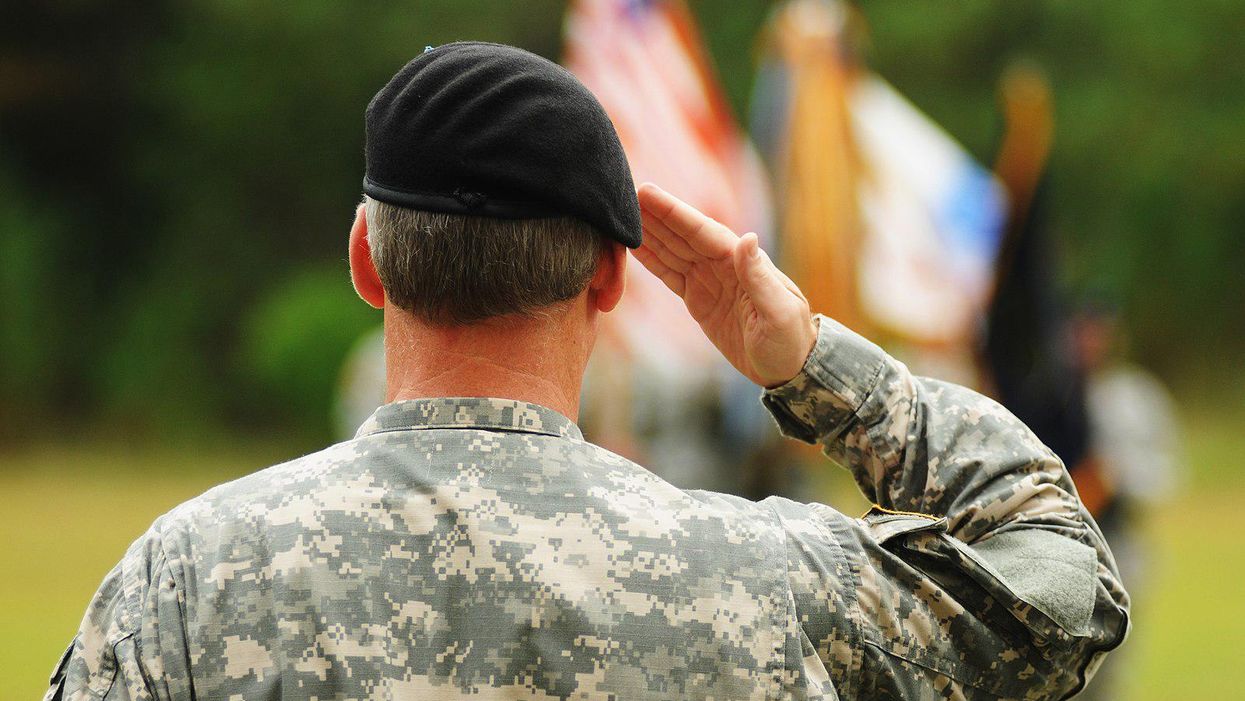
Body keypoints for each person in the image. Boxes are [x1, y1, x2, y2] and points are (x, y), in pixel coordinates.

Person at [47, 42, 1128, 701]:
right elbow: (1064, 586)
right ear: (613, 281)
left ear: (366, 262)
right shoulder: (769, 577)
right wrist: (809, 358)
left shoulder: (190, 578)